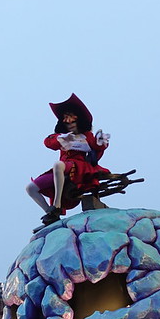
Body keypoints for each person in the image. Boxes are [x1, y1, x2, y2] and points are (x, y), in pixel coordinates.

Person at [25, 94, 111, 225]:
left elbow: (96, 150)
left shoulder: (86, 136)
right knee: (31, 188)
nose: (70, 124)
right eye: (67, 122)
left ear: (79, 121)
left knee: (58, 165)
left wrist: (100, 142)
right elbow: (49, 142)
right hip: (62, 168)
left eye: (73, 121)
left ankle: (57, 204)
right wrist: (62, 138)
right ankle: (51, 213)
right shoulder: (61, 137)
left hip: (80, 168)